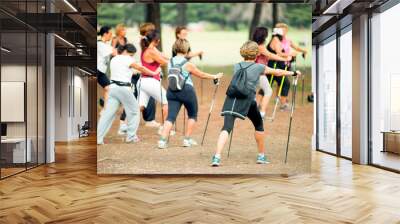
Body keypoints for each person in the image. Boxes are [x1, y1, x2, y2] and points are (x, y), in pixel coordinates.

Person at [211, 41, 300, 167]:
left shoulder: (236, 65)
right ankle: (261, 156)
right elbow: (277, 72)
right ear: (257, 54)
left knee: (226, 128)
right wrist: (293, 73)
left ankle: (216, 157)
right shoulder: (259, 67)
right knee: (258, 124)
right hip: (247, 100)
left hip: (231, 98)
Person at [158, 39, 223, 149]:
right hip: (186, 91)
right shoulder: (187, 64)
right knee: (192, 115)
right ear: (186, 49)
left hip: (172, 91)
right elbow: (201, 75)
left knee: (171, 117)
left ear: (175, 48)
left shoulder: (170, 62)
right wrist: (215, 76)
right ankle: (186, 140)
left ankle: (162, 141)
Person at [97, 44, 160, 145]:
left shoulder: (114, 59)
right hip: (124, 89)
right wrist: (154, 73)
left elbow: (126, 70)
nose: (132, 57)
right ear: (126, 52)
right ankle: (131, 137)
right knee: (135, 111)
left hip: (113, 88)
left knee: (107, 114)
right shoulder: (127, 59)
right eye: (131, 54)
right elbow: (141, 68)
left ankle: (98, 138)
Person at [251, 27, 290, 119]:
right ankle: (261, 114)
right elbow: (270, 55)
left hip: (257, 71)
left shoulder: (255, 45)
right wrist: (284, 58)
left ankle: (255, 111)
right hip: (259, 72)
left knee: (262, 90)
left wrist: (283, 57)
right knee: (268, 91)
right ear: (263, 36)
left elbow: (268, 56)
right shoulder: (260, 47)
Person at [139, 30, 169, 134]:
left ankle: (124, 124)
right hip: (150, 82)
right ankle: (164, 129)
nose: (159, 40)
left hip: (143, 81)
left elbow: (163, 56)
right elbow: (164, 62)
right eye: (158, 39)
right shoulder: (151, 51)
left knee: (140, 106)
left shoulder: (148, 49)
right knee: (167, 102)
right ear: (155, 40)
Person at [266, 27, 295, 111]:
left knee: (267, 85)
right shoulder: (276, 40)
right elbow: (279, 52)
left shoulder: (274, 39)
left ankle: (257, 104)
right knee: (285, 83)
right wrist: (289, 55)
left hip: (272, 64)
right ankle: (283, 104)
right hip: (275, 65)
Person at [97, 26, 117, 108]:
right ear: (105, 34)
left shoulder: (104, 45)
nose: (111, 36)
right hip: (97, 70)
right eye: (110, 34)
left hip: (101, 71)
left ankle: (105, 108)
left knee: (108, 88)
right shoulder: (100, 44)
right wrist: (114, 43)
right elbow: (114, 53)